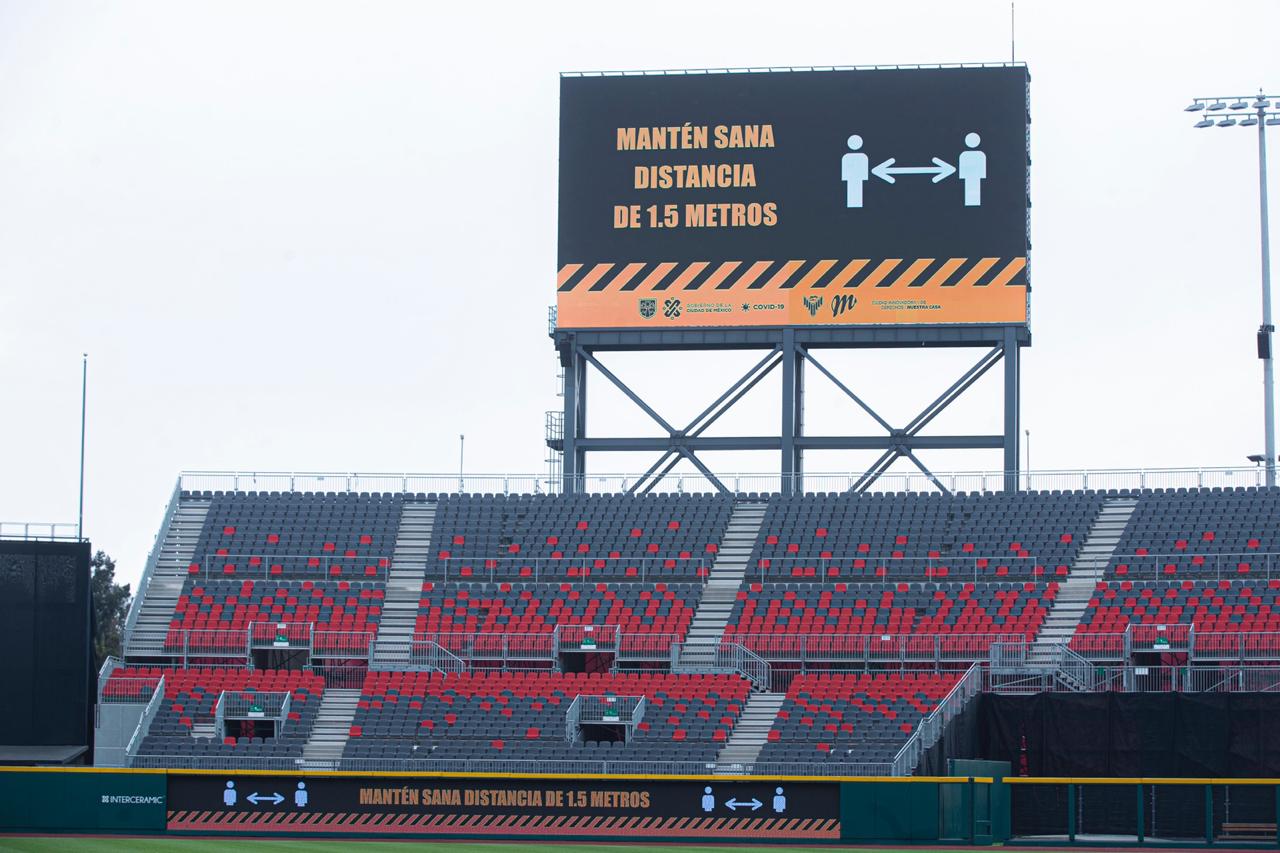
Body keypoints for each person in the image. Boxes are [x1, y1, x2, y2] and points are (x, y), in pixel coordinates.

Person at [958, 132, 986, 206]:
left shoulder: (964, 155)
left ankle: (972, 203)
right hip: (971, 178)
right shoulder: (980, 155)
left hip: (974, 178)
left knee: (973, 196)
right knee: (971, 196)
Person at [842, 135, 870, 208]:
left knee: (855, 198)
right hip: (852, 180)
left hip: (856, 180)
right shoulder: (862, 157)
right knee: (853, 198)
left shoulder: (847, 157)